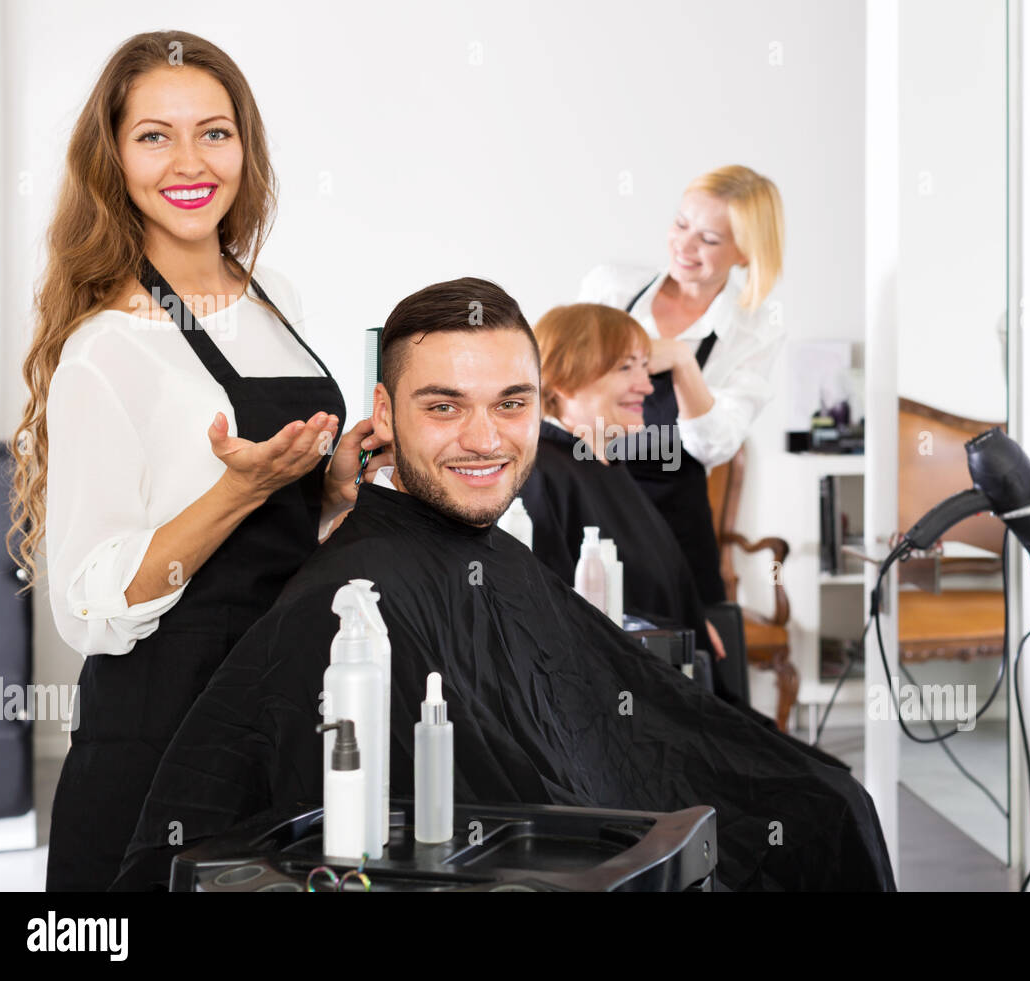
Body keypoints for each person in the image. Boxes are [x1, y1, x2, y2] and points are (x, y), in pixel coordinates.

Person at [114, 278, 895, 892]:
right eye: (444, 405)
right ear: (384, 411)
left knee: (826, 804)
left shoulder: (479, 549)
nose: (484, 439)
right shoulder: (352, 595)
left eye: (510, 404)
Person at [7, 31, 389, 891]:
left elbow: (279, 546)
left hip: (272, 731)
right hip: (157, 747)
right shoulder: (107, 348)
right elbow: (88, 607)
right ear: (114, 157)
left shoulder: (270, 299)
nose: (190, 161)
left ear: (245, 149)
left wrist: (327, 489)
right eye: (155, 135)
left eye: (214, 132)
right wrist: (238, 490)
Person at [578, 165, 785, 604]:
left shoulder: (754, 330)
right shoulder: (611, 291)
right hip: (587, 508)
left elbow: (715, 446)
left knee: (688, 662)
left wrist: (682, 363)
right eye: (681, 224)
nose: (684, 246)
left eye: (709, 239)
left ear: (746, 253)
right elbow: (559, 393)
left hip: (674, 529)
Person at [519, 302, 725, 667]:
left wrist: (689, 620)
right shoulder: (541, 474)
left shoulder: (605, 464)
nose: (646, 386)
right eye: (626, 367)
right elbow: (554, 622)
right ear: (565, 377)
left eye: (645, 367)